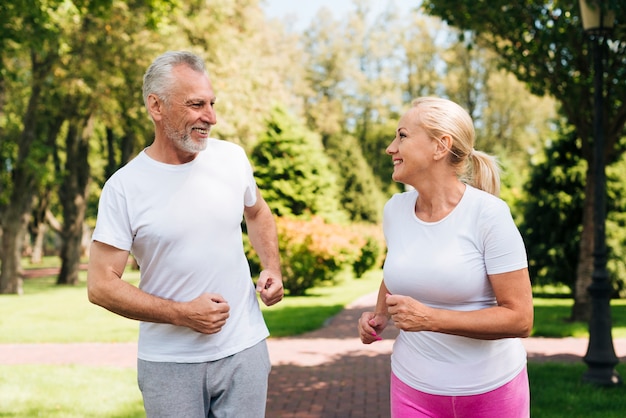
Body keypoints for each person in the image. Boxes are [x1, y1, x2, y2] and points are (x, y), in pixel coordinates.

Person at [87, 50, 284, 418]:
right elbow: (100, 285)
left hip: (245, 350)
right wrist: (182, 314)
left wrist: (271, 265)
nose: (211, 117)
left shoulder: (231, 158)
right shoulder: (124, 187)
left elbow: (256, 212)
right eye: (196, 105)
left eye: (211, 104)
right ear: (156, 106)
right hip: (169, 364)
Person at [358, 97, 533, 417]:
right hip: (412, 387)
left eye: (402, 136)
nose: (390, 148)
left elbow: (521, 319)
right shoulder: (395, 210)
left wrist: (431, 320)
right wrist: (380, 313)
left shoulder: (489, 215)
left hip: (491, 390)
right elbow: (401, 266)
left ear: (441, 146)